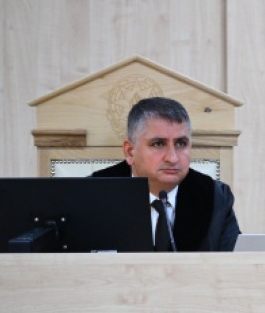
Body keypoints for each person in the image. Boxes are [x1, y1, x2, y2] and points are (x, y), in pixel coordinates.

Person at [92, 97, 240, 251]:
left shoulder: (215, 197)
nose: (172, 158)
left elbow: (235, 265)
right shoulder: (92, 195)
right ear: (130, 152)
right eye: (158, 144)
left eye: (181, 144)